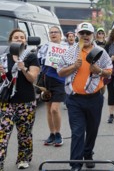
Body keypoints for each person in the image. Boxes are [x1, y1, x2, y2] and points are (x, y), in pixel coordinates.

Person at [57, 22, 112, 171]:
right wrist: (73, 66)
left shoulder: (100, 51)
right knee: (77, 132)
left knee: (92, 130)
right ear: (77, 35)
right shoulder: (70, 52)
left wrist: (99, 70)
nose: (85, 36)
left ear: (93, 35)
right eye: (82, 33)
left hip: (95, 98)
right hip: (75, 99)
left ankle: (88, 153)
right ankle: (75, 165)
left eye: (88, 33)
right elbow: (60, 72)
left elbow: (109, 71)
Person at [0, 29, 40, 170]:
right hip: (6, 102)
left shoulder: (31, 57)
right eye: (16, 37)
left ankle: (23, 159)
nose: (19, 39)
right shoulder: (3, 57)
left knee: (25, 133)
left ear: (25, 41)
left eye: (22, 37)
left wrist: (23, 68)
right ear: (11, 40)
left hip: (26, 101)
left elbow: (32, 78)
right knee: (2, 133)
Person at [38, 26, 66, 147]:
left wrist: (59, 65)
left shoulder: (66, 47)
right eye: (51, 32)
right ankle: (52, 133)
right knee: (48, 108)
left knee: (55, 109)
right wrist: (48, 61)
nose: (53, 34)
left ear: (60, 34)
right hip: (46, 79)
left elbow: (70, 63)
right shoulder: (44, 47)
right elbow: (38, 61)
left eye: (56, 32)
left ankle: (58, 133)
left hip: (60, 80)